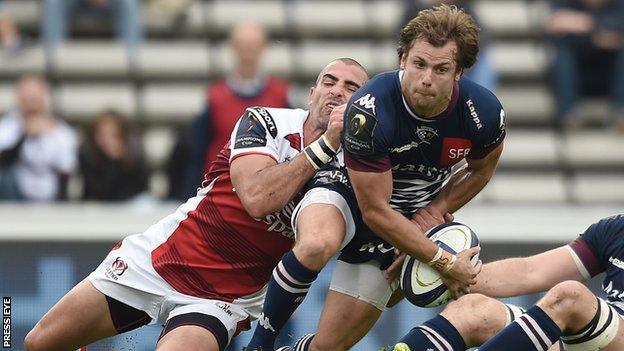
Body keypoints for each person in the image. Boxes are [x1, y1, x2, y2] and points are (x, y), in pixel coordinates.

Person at [23, 58, 368, 351]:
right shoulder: (264, 121)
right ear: (311, 95)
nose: (337, 90)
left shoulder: (358, 167)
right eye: (329, 81)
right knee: (40, 343)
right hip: (159, 260)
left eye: (351, 88)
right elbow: (258, 199)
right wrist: (325, 145)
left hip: (222, 300)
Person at [247, 5, 506, 351]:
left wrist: (433, 211)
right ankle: (260, 344)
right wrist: (439, 259)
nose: (427, 78)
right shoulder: (371, 109)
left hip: (409, 211)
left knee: (328, 348)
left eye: (441, 68)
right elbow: (374, 211)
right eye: (419, 64)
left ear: (460, 71)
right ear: (402, 60)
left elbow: (480, 170)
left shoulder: (484, 113)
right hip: (347, 192)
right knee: (317, 242)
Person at [393, 213, 624, 351]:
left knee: (571, 297)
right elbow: (530, 272)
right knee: (472, 308)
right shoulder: (616, 230)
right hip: (599, 341)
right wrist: (450, 269)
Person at [170, 20, 291, 200]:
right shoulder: (214, 97)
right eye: (242, 45)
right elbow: (196, 153)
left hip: (266, 195)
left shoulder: (280, 96)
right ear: (232, 47)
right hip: (218, 194)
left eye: (253, 45)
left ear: (263, 48)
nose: (247, 52)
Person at [546, 0, 624, 130]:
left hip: (610, 75)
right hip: (576, 75)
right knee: (562, 54)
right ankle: (570, 115)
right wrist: (598, 32)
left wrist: (580, 24)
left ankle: (621, 114)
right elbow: (554, 23)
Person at [0, 75, 77, 201]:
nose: (30, 106)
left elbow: (67, 167)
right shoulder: (7, 126)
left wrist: (49, 134)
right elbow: (3, 161)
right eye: (26, 100)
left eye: (34, 100)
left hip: (50, 196)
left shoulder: (61, 131)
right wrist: (24, 136)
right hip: (15, 195)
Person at [79, 110, 149, 201]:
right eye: (101, 134)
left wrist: (119, 158)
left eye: (112, 134)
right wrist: (112, 161)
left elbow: (141, 187)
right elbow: (99, 191)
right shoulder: (88, 155)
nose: (106, 139)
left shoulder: (134, 154)